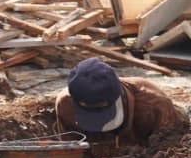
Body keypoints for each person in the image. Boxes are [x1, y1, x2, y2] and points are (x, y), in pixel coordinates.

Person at [55, 57, 188, 148]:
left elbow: (167, 155)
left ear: (120, 97)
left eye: (103, 111)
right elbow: (74, 152)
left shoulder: (154, 107)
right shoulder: (65, 105)